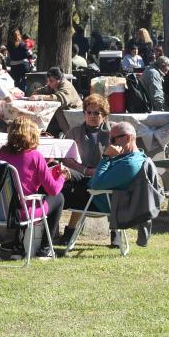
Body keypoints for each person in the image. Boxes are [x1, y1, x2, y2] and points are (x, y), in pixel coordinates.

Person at [0, 117, 65, 259]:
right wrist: (62, 176)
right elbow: (53, 190)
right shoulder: (35, 156)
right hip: (23, 212)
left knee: (20, 196)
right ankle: (45, 249)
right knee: (58, 198)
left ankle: (17, 247)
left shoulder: (1, 153)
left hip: (1, 210)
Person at [88, 121, 154, 246]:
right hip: (103, 196)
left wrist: (106, 157)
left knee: (59, 194)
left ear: (128, 138)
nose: (110, 143)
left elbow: (96, 184)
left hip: (101, 200)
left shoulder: (130, 164)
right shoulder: (137, 155)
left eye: (113, 139)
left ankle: (45, 239)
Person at [58, 94, 111, 242]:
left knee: (113, 189)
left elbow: (117, 158)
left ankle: (115, 231)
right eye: (88, 112)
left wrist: (99, 171)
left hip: (104, 176)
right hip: (80, 173)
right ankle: (69, 230)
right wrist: (85, 170)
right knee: (73, 184)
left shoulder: (112, 133)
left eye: (96, 113)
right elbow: (66, 158)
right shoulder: (74, 132)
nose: (92, 116)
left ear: (104, 115)